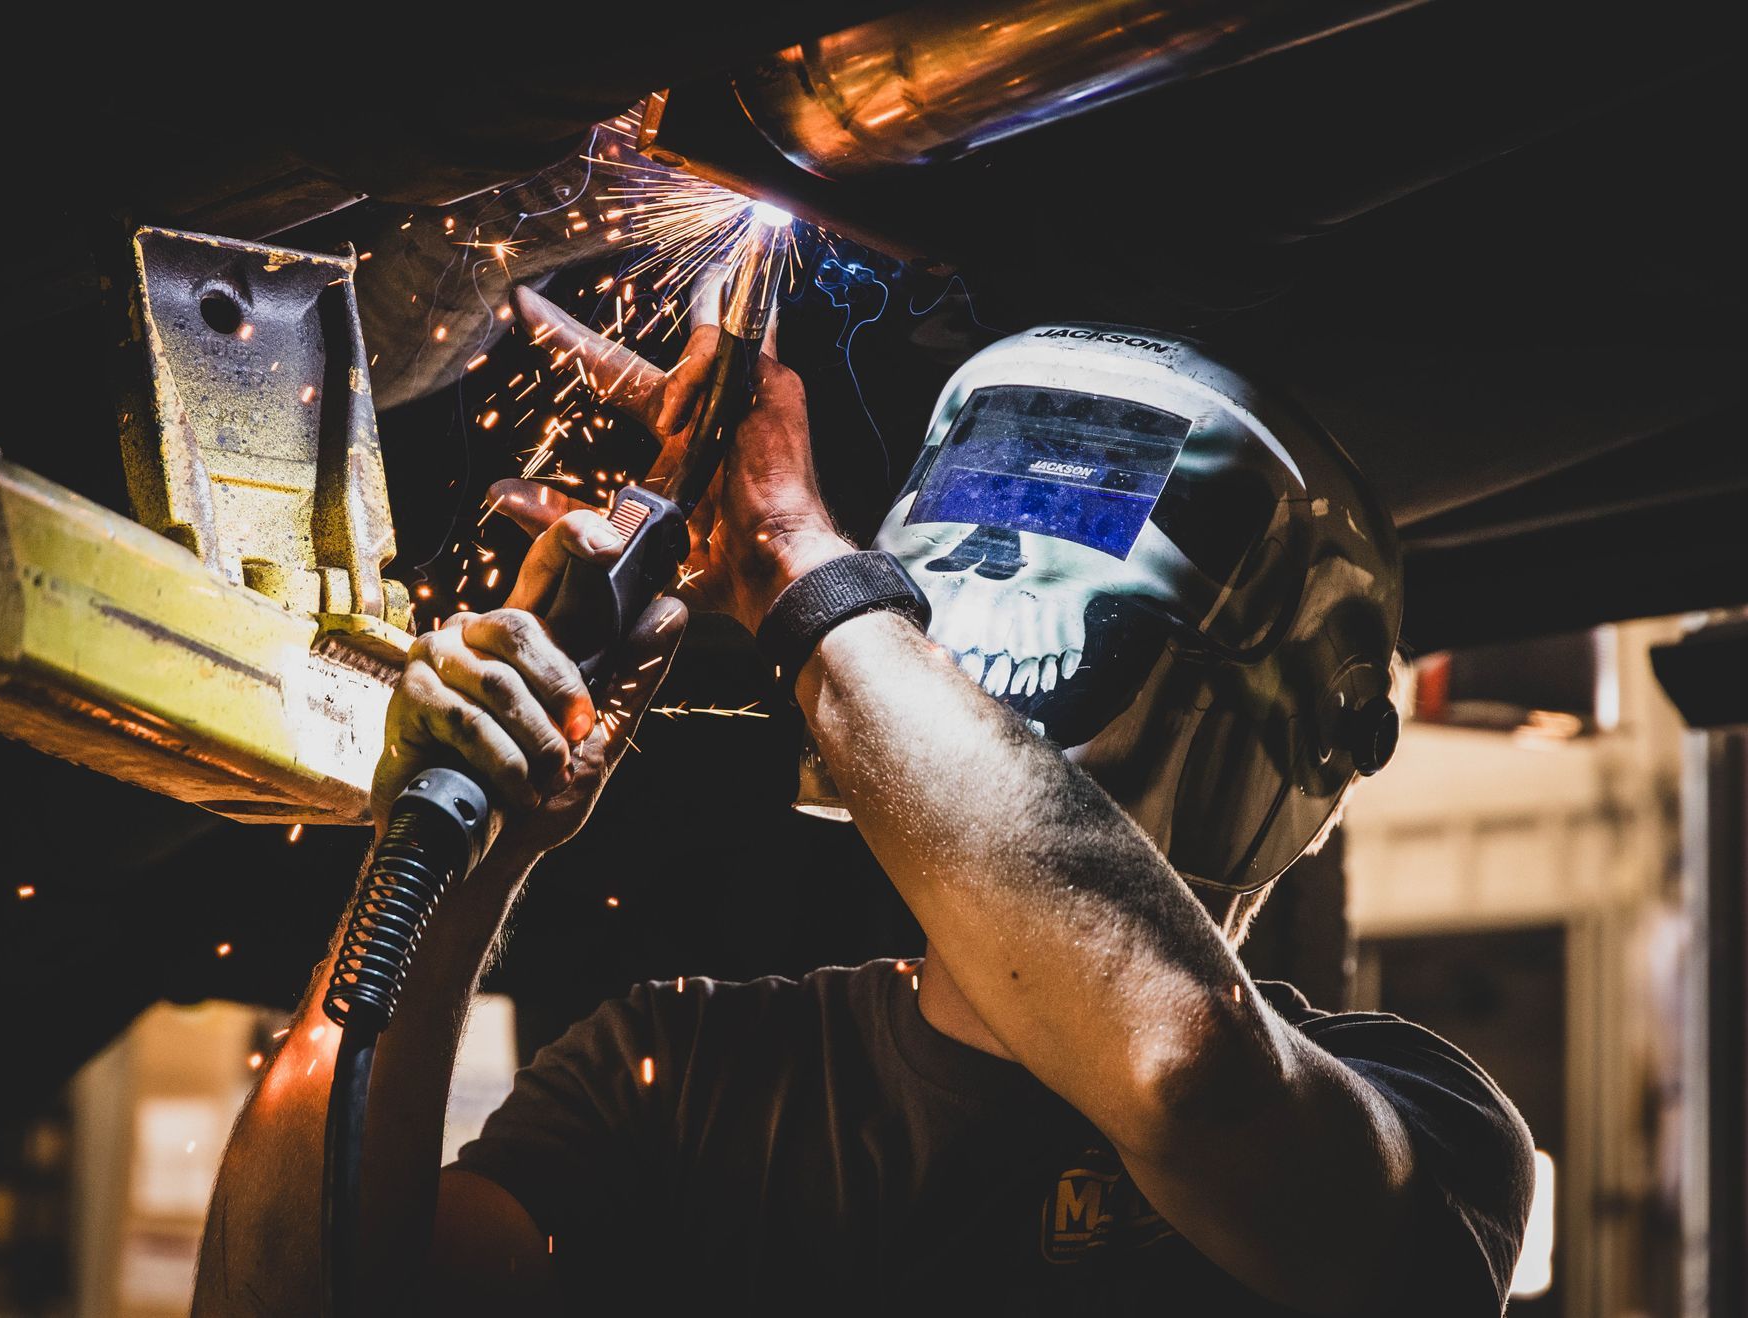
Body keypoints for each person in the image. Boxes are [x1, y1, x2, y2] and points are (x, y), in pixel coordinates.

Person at [194, 290, 1535, 1317]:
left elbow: (1180, 1070)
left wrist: (794, 560)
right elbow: (287, 1300)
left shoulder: (1433, 1126)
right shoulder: (677, 1078)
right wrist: (465, 847)